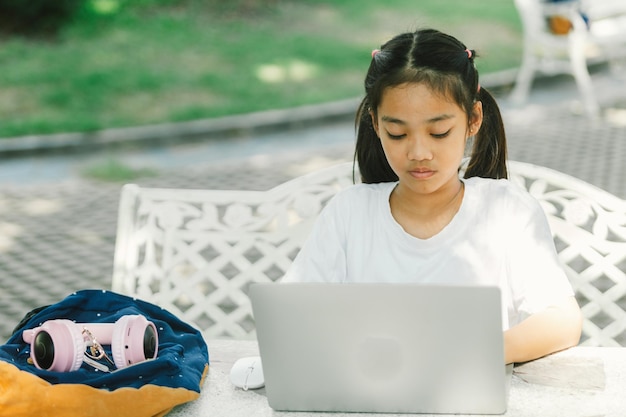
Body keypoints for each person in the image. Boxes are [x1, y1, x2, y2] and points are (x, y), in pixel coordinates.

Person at [281, 28, 582, 364]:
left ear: (473, 119)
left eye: (439, 132)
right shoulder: (349, 214)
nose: (419, 152)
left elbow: (562, 321)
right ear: (376, 124)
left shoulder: (506, 211)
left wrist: (466, 355)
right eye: (397, 133)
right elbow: (290, 315)